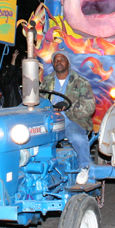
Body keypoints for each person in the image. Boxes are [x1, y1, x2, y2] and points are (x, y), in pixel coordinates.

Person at [39, 51, 96, 185]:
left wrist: (69, 108)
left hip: (72, 120)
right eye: (55, 60)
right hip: (50, 120)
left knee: (76, 137)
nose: (58, 62)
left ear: (68, 63)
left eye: (62, 59)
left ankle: (84, 167)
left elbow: (89, 107)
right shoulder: (47, 82)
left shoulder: (81, 82)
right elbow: (39, 101)